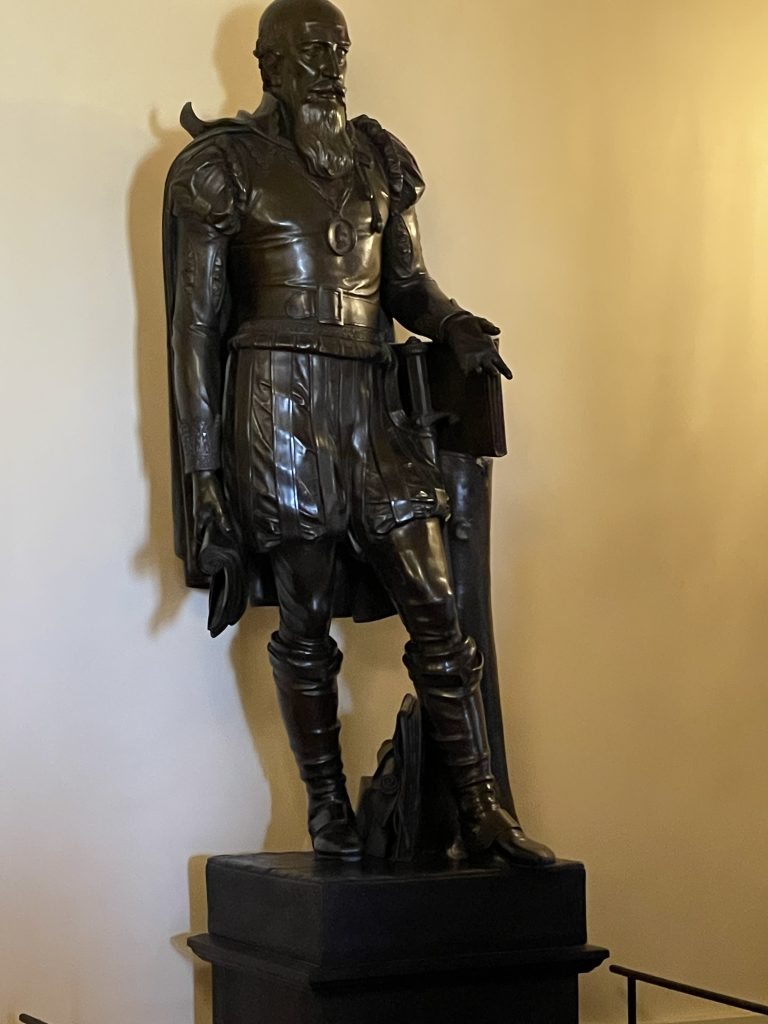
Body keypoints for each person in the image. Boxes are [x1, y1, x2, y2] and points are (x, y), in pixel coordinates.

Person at [164, 0, 554, 866]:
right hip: (279, 403)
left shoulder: (379, 160)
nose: (329, 67)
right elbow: (194, 331)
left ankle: (482, 808)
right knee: (304, 618)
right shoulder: (226, 168)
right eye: (311, 52)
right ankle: (328, 813)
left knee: (438, 604)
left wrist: (452, 324)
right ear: (269, 64)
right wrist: (203, 475)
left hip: (372, 403)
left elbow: (408, 283)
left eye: (337, 50)